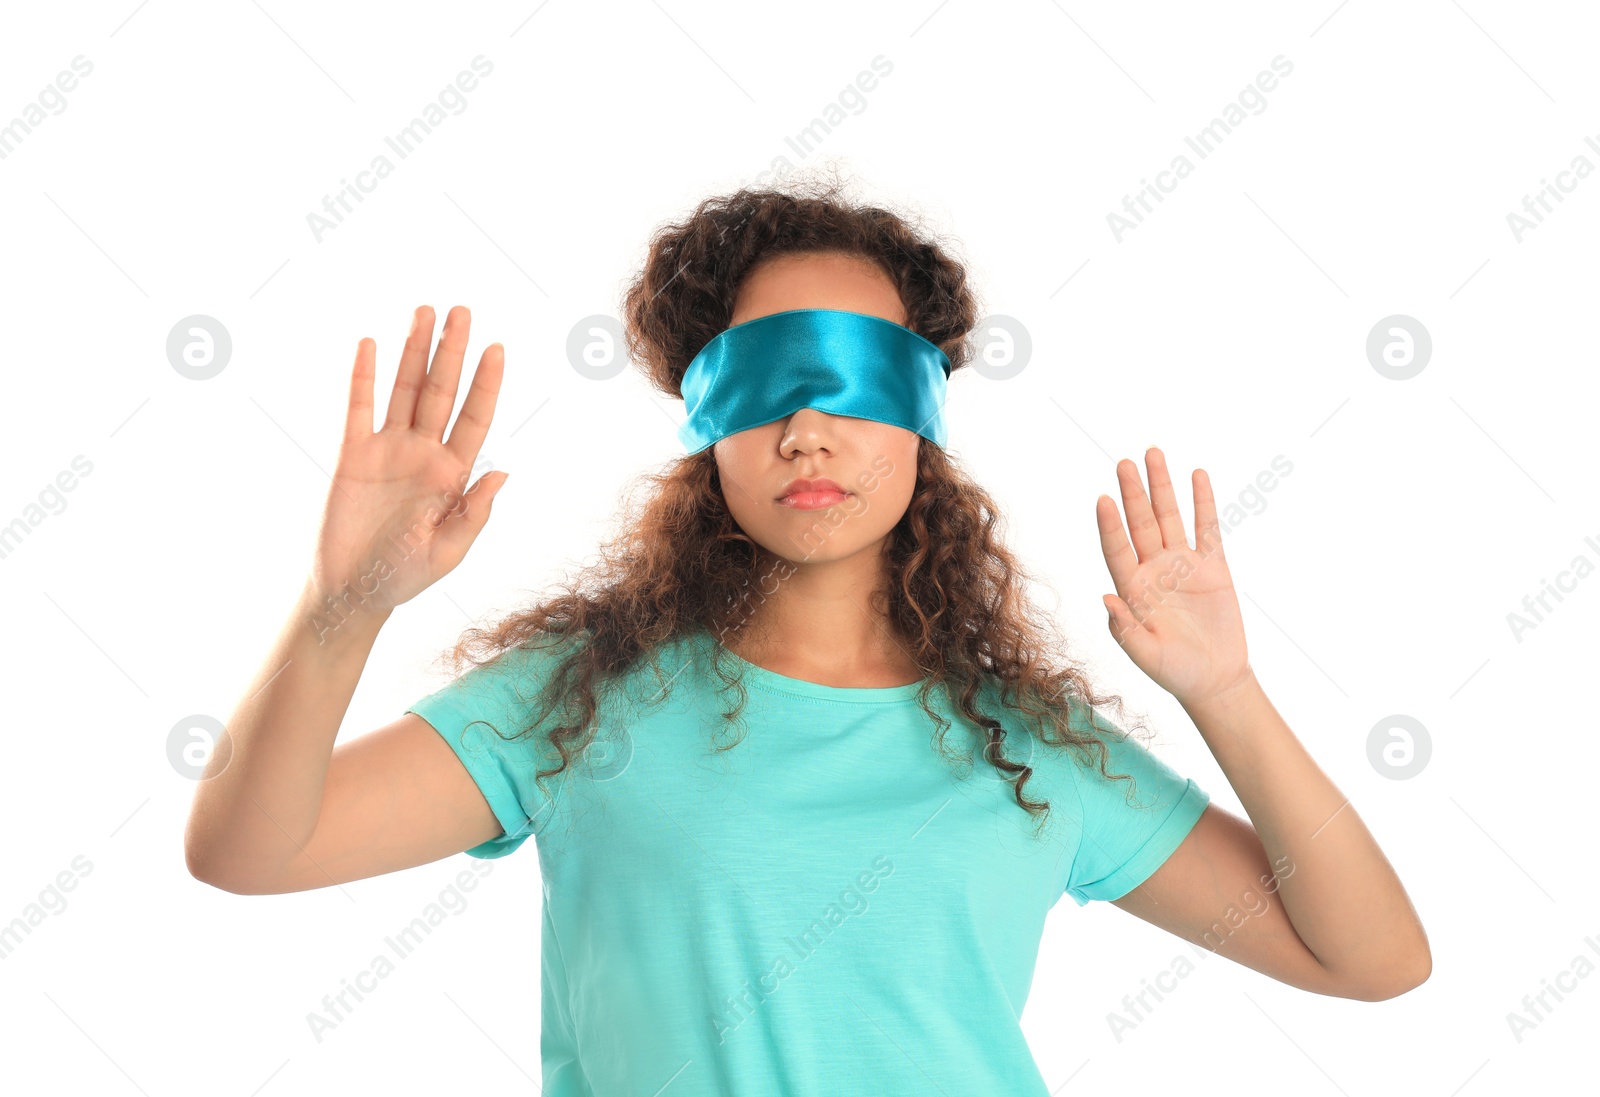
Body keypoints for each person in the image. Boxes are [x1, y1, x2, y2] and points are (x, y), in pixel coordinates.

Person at [184, 177, 1430, 1094]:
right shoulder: (575, 703)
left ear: (923, 418)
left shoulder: (1029, 749)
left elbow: (1373, 961)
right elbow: (249, 850)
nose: (809, 432)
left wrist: (1227, 691)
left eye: (854, 383)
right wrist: (342, 602)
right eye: (767, 386)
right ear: (706, 429)